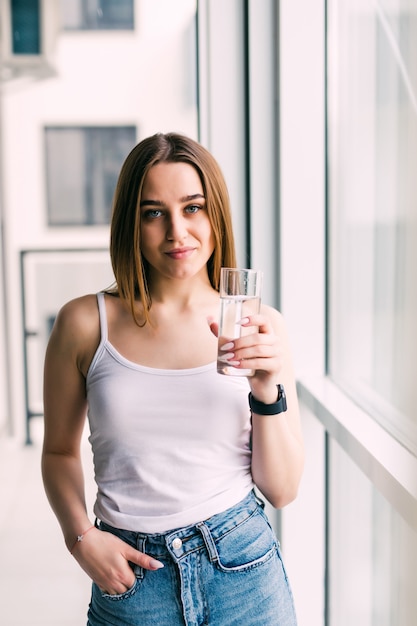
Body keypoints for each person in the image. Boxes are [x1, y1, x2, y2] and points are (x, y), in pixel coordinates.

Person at [42, 132, 304, 626]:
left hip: (242, 569)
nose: (177, 233)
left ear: (215, 214)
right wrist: (79, 537)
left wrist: (266, 391)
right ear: (131, 224)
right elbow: (57, 451)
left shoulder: (256, 324)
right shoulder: (85, 323)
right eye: (153, 212)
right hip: (132, 581)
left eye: (193, 207)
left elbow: (283, 489)